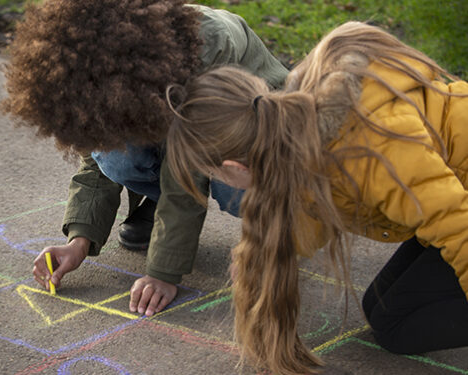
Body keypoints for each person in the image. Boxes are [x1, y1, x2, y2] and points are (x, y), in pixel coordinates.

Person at [165, 21, 468, 375]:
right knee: (384, 314)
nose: (215, 179)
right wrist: (270, 251)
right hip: (451, 190)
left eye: (213, 173)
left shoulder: (367, 148)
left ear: (234, 166)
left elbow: (458, 227)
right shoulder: (300, 128)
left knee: (399, 328)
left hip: (457, 210)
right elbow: (313, 203)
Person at [0, 0, 288, 317]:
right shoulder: (98, 70)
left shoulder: (206, 46)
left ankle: (282, 221)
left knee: (239, 192)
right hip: (182, 132)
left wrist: (164, 272)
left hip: (257, 143)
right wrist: (79, 239)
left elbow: (187, 170)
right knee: (115, 158)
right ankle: (155, 203)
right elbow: (98, 144)